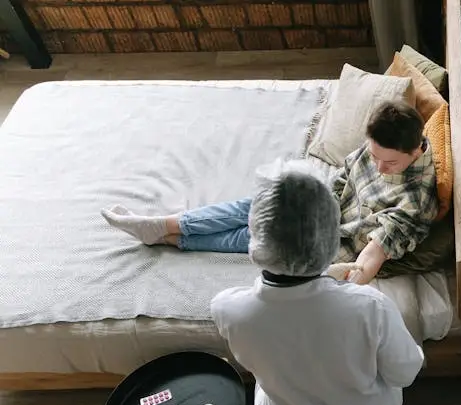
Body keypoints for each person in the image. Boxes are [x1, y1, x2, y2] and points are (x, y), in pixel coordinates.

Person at [210, 159, 425, 405]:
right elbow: (404, 373)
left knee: (265, 369)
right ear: (328, 239)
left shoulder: (228, 308)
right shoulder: (369, 306)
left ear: (256, 237)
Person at [102, 101, 437, 285]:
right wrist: (318, 199)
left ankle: (168, 238)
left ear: (414, 151)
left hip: (328, 239)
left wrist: (349, 277)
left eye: (389, 163)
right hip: (324, 205)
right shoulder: (383, 144)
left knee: (260, 233)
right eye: (374, 156)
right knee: (263, 202)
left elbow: (371, 259)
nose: (377, 166)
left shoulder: (414, 202)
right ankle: (164, 224)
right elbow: (345, 174)